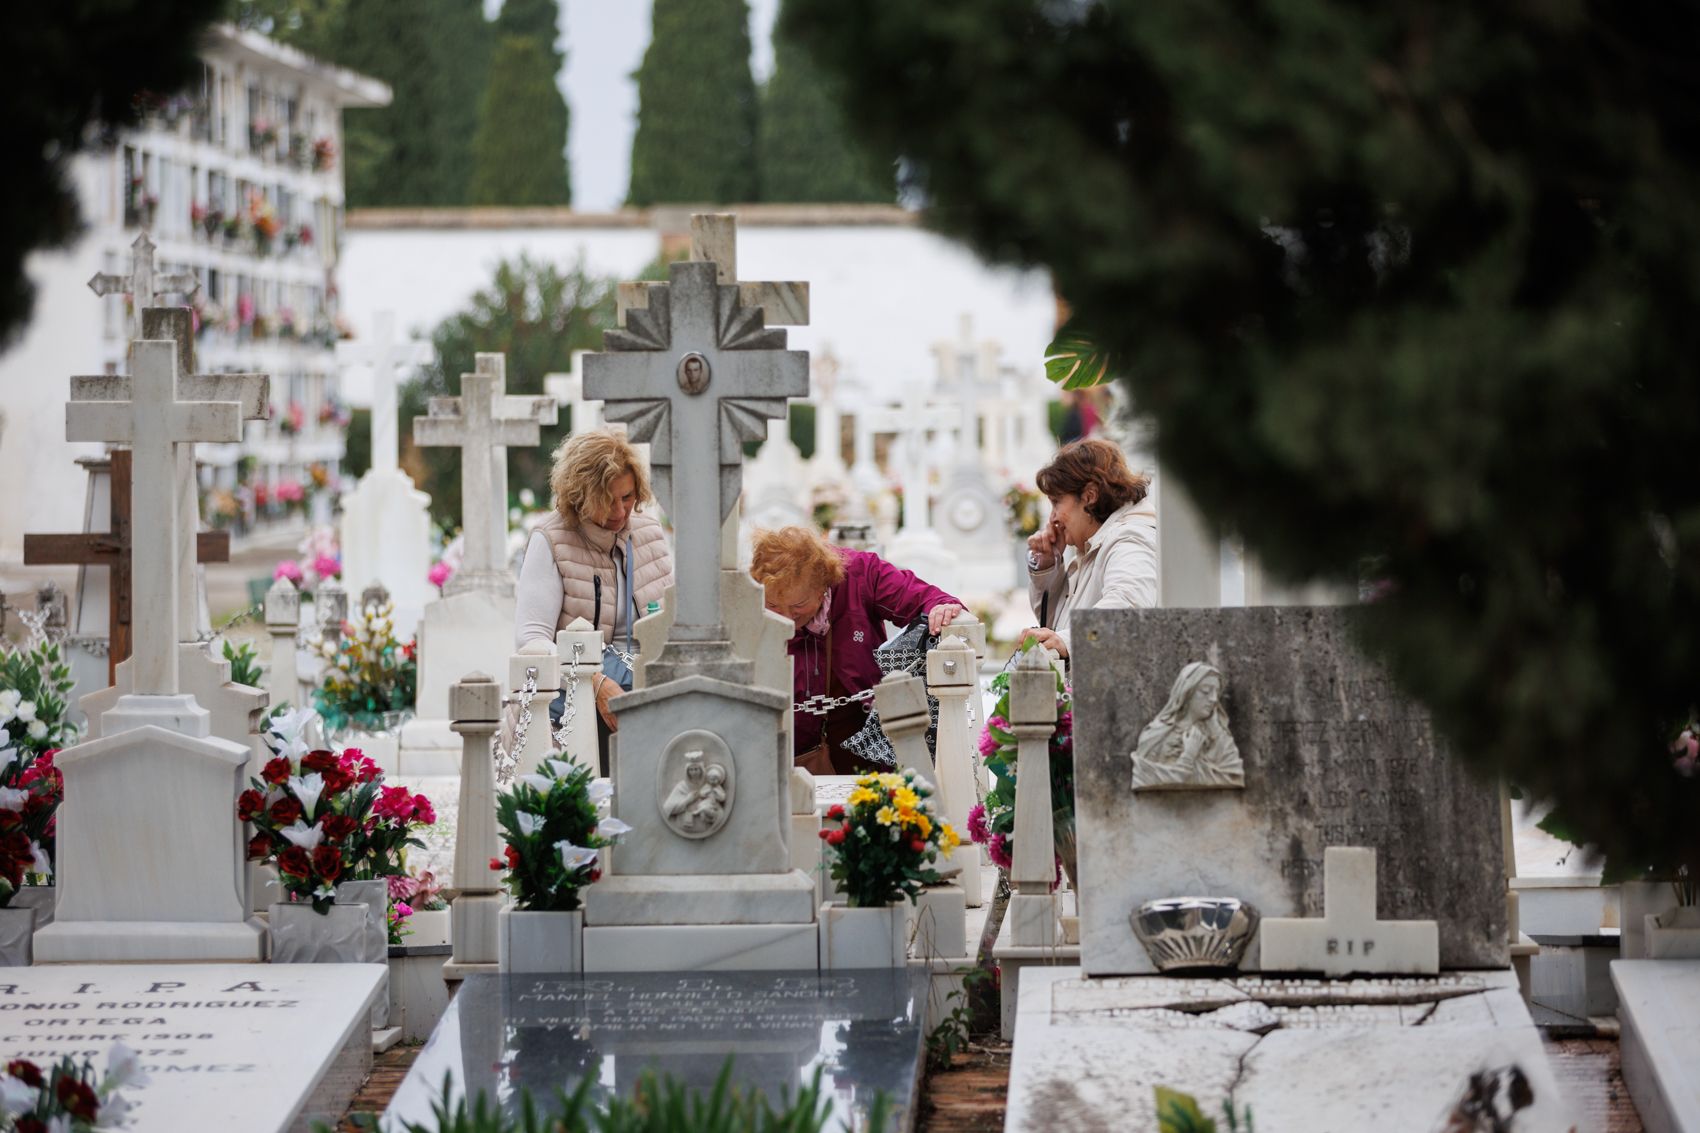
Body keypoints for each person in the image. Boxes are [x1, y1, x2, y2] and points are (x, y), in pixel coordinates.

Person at [749, 526, 964, 775]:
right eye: (773, 605)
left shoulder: (861, 574)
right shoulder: (745, 594)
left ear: (823, 586)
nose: (786, 617)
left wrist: (941, 607)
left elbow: (921, 597)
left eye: (799, 605)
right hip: (782, 757)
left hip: (863, 750)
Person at [515, 430, 673, 764]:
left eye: (627, 497)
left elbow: (672, 620)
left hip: (648, 688)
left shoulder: (648, 532)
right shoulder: (550, 540)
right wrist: (594, 683)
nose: (620, 512)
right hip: (572, 701)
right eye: (607, 500)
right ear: (580, 496)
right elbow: (531, 640)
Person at [1023, 437, 1156, 661]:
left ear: (1089, 496)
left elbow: (1128, 609)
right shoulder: (1091, 545)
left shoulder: (1129, 540)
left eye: (1057, 502)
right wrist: (1048, 568)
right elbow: (1056, 624)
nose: (1052, 518)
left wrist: (1068, 641)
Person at [1130, 662, 1244, 789]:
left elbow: (1234, 775)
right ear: (1186, 693)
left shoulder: (1219, 736)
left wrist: (1216, 731)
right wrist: (1189, 754)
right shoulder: (1156, 735)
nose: (1214, 699)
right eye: (1205, 691)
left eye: (1216, 692)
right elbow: (1144, 776)